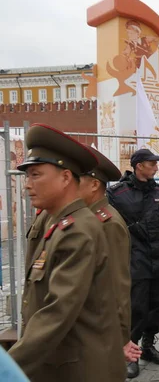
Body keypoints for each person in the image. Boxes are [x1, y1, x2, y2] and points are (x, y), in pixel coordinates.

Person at [9, 123, 125, 381]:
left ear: (64, 178)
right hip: (62, 361)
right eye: (27, 176)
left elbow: (58, 311)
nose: (27, 185)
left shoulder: (78, 230)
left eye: (36, 175)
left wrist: (9, 366)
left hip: (80, 368)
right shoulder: (59, 223)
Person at [108, 148, 159, 378]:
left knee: (155, 306)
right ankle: (131, 353)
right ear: (139, 166)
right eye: (152, 164)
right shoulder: (117, 194)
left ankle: (148, 347)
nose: (156, 167)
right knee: (136, 308)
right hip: (135, 260)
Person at [79, 145, 142, 363]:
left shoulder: (108, 222)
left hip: (103, 325)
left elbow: (118, 283)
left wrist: (122, 336)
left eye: (79, 180)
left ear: (95, 184)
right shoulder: (87, 217)